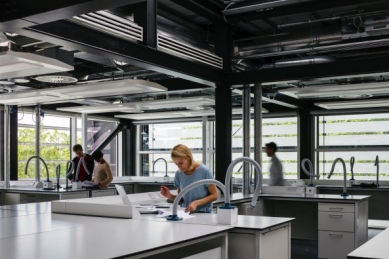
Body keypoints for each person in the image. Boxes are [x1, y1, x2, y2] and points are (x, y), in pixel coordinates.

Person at [160, 144, 217, 213]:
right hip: (186, 214)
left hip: (204, 214)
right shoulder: (179, 174)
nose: (178, 167)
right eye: (176, 164)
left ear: (188, 158)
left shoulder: (205, 171)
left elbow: (214, 195)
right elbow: (181, 199)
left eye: (181, 163)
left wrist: (196, 203)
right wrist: (169, 195)